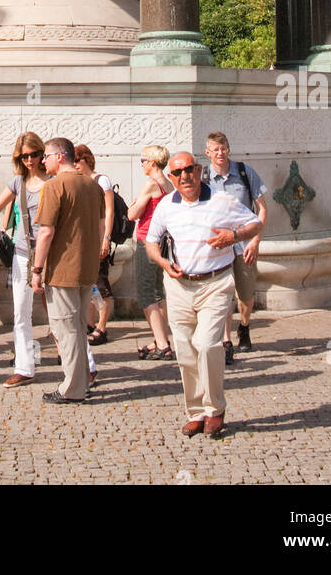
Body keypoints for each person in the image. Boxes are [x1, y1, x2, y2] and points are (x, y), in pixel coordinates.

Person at [146, 151, 261, 439]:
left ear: (198, 170)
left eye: (189, 170)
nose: (184, 176)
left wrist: (233, 237)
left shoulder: (222, 202)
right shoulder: (165, 206)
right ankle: (196, 412)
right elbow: (151, 241)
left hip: (216, 282)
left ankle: (215, 409)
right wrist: (162, 262)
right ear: (171, 178)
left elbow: (256, 223)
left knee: (207, 344)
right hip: (179, 285)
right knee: (184, 350)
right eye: (177, 173)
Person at [32, 136, 104, 404]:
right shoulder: (91, 184)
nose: (43, 162)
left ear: (60, 156)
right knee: (77, 326)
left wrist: (37, 268)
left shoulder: (54, 187)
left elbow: (46, 232)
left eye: (46, 157)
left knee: (66, 329)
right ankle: (81, 382)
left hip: (63, 267)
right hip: (86, 266)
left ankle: (72, 388)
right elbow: (99, 226)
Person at [0, 131, 50, 387]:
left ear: (42, 153)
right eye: (24, 156)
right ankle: (25, 367)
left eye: (34, 154)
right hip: (22, 253)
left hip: (51, 253)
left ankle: (85, 365)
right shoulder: (18, 182)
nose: (30, 160)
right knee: (21, 312)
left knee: (64, 313)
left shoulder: (52, 180)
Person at [203, 132, 267, 362]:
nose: (220, 153)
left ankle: (245, 325)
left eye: (224, 149)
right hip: (219, 244)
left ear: (228, 149)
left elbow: (262, 208)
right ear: (208, 152)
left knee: (246, 295)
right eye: (215, 150)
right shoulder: (203, 177)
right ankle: (226, 341)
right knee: (223, 294)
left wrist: (256, 239)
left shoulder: (244, 172)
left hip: (244, 243)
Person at [127, 144, 174, 360]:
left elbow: (132, 214)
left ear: (152, 163)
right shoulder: (168, 184)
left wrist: (135, 203)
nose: (142, 164)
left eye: (143, 161)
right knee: (157, 292)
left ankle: (162, 344)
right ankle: (160, 338)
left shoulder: (151, 184)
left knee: (146, 294)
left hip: (147, 240)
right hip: (162, 242)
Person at [73, 144, 114, 345]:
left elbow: (109, 210)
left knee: (101, 284)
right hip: (83, 240)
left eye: (77, 161)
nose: (75, 165)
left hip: (98, 239)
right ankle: (89, 324)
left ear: (87, 160)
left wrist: (105, 238)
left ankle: (102, 327)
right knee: (87, 285)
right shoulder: (78, 181)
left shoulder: (101, 180)